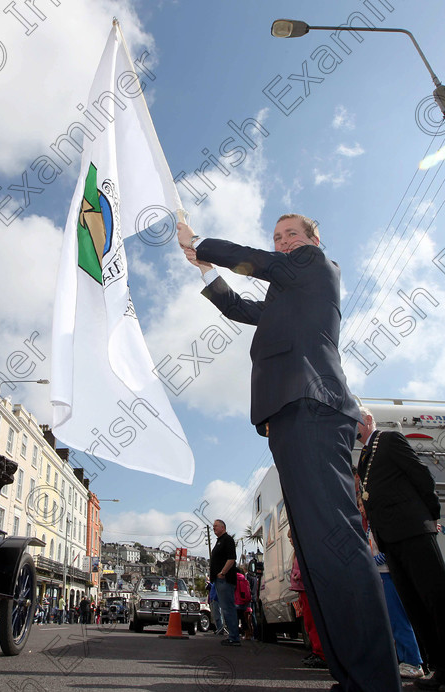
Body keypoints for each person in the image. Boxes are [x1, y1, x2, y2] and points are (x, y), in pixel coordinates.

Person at [178, 216, 400, 691]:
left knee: (336, 544)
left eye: (291, 235)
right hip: (290, 413)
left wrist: (201, 242)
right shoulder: (287, 296)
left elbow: (258, 263)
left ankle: (375, 681)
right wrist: (204, 269)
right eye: (277, 237)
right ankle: (351, 676)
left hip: (311, 405)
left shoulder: (315, 265)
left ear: (313, 241)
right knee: (319, 555)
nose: (282, 243)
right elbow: (239, 308)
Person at [356, 406, 445, 689]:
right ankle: (439, 669)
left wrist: (430, 516)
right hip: (391, 540)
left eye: (353, 422)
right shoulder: (364, 458)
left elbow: (421, 476)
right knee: (415, 606)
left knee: (436, 599)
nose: (349, 428)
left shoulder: (389, 439)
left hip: (413, 531)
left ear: (368, 420)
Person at [357, 492, 425, 680]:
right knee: (391, 622)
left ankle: (413, 662)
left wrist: (370, 562)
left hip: (389, 575)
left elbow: (388, 552)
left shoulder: (380, 524)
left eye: (362, 505)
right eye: (360, 506)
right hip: (381, 576)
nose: (361, 509)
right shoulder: (371, 527)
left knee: (399, 620)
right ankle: (404, 659)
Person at [289, 528, 327, 669]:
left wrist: (298, 575)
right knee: (308, 623)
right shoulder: (297, 553)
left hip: (306, 589)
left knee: (313, 622)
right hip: (302, 590)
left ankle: (321, 653)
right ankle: (316, 651)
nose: (290, 541)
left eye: (291, 538)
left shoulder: (305, 551)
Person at [209, 519, 239, 646]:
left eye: (216, 526)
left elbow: (231, 558)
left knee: (228, 608)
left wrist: (222, 573)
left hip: (225, 580)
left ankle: (234, 637)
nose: (213, 528)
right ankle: (232, 636)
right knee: (225, 608)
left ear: (223, 527)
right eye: (213, 526)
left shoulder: (228, 540)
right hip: (219, 581)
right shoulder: (219, 541)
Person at [234, 569, 253, 641]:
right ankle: (247, 634)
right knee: (243, 619)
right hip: (244, 602)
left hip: (236, 601)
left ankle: (235, 635)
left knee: (235, 620)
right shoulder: (244, 579)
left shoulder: (234, 579)